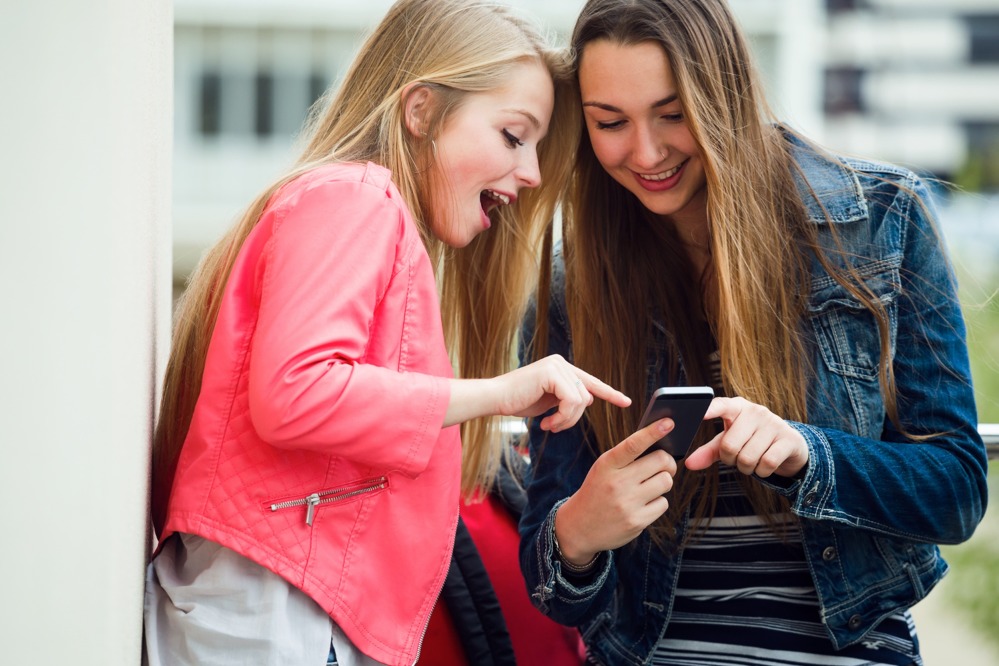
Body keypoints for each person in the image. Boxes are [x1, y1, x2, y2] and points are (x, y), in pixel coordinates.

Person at [143, 1, 632, 665]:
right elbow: (297, 392)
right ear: (421, 110)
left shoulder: (348, 206)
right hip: (279, 612)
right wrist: (500, 392)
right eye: (514, 136)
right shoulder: (355, 197)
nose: (532, 173)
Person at [517, 0, 990, 664]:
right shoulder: (573, 288)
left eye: (672, 114)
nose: (645, 152)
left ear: (724, 94)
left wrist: (807, 455)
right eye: (610, 123)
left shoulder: (882, 221)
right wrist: (576, 532)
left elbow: (956, 491)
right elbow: (554, 587)